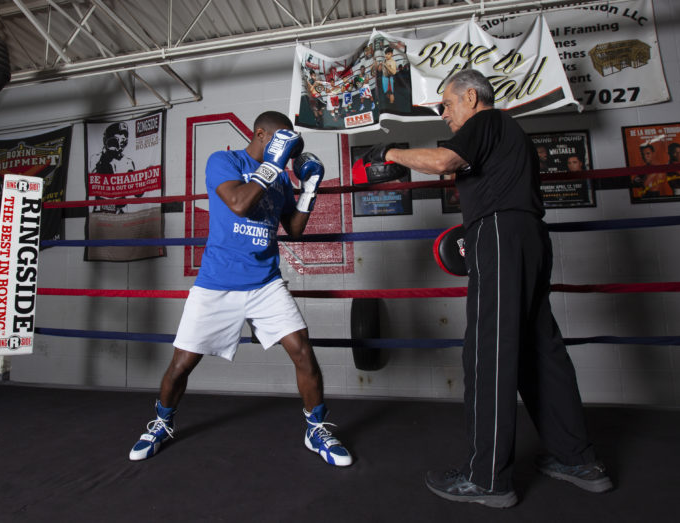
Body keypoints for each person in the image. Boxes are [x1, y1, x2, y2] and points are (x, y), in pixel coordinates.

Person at [369, 69, 612, 507]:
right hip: (527, 237)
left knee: (489, 351)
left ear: (471, 97)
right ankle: (576, 459)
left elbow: (443, 162)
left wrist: (390, 152)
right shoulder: (507, 134)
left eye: (447, 104)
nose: (444, 114)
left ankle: (487, 478)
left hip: (499, 233)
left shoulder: (486, 120)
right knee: (540, 350)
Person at [129, 111, 352, 467]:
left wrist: (310, 189)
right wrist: (273, 165)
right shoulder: (224, 161)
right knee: (182, 364)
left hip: (265, 282)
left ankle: (316, 429)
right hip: (217, 282)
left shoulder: (281, 179)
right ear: (261, 134)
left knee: (302, 351)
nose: (287, 151)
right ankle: (161, 423)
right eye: (281, 140)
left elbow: (294, 229)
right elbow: (238, 204)